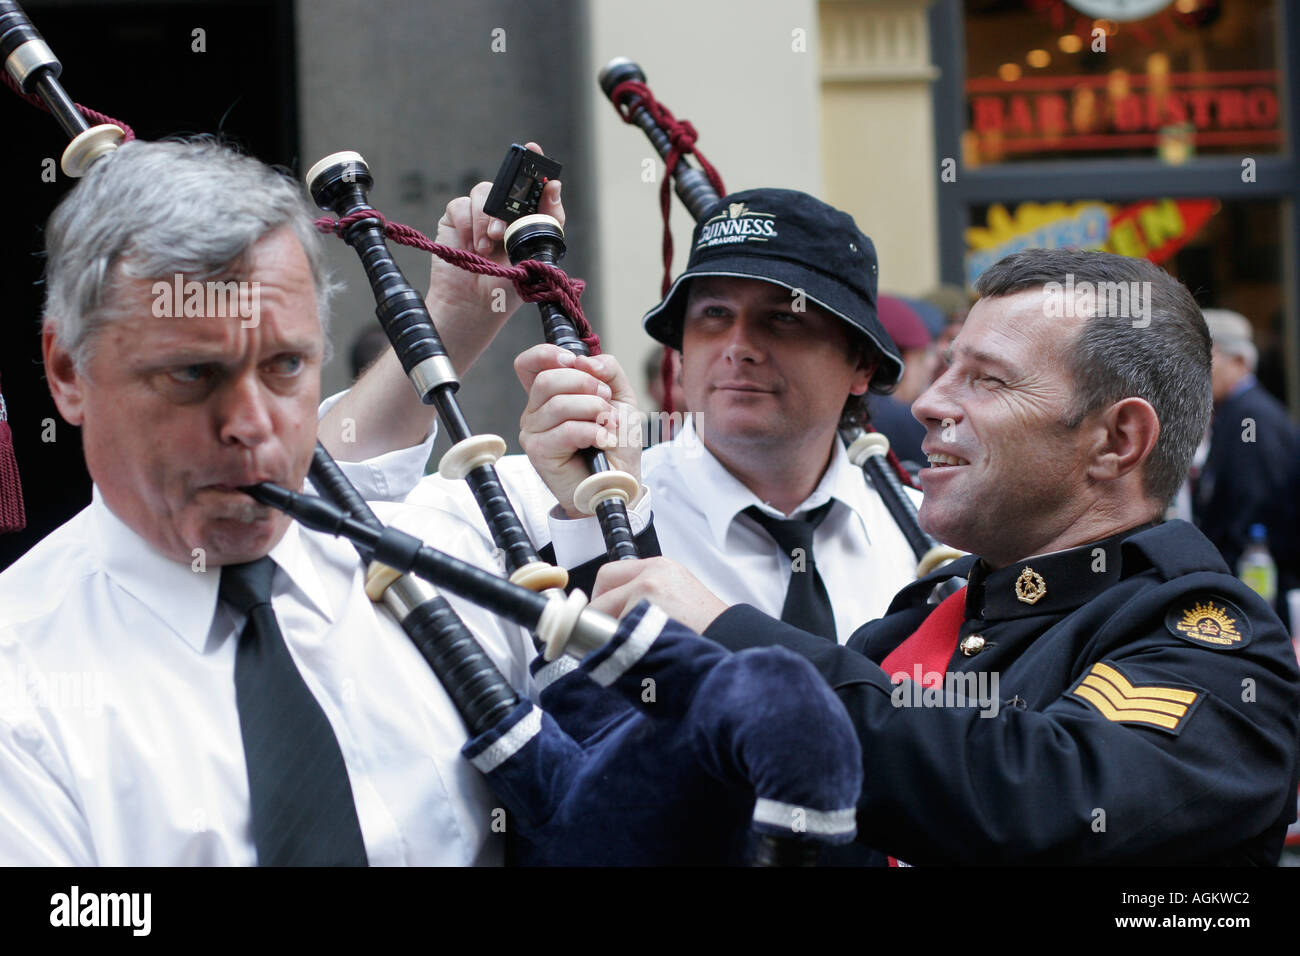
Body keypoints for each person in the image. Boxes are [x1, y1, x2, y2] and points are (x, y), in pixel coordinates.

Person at [584, 249, 1300, 863]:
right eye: (946, 365)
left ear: (1116, 441)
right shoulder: (928, 614)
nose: (927, 403)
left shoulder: (1212, 645)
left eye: (986, 379)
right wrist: (601, 513)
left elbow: (1042, 802)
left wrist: (729, 635)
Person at [0, 138, 536, 866]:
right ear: (68, 373)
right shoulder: (20, 687)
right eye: (193, 372)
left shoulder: (454, 564)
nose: (251, 425)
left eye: (285, 365)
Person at [343, 187, 927, 640]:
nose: (738, 345)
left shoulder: (928, 534)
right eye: (713, 314)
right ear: (679, 351)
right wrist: (451, 317)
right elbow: (340, 511)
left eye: (784, 318)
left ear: (863, 367)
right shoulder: (548, 499)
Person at [1193, 308, 1298, 574]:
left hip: (1254, 578)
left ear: (1239, 361)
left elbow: (1252, 505)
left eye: (1206, 357)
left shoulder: (1250, 416)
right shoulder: (1236, 411)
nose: (1196, 371)